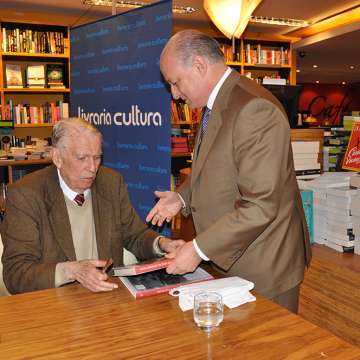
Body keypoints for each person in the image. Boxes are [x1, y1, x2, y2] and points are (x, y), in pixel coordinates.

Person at [146, 30, 311, 313]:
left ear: (199, 65)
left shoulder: (254, 109)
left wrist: (197, 250)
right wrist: (182, 198)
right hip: (233, 258)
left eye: (175, 82)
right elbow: (216, 167)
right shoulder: (216, 104)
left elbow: (260, 205)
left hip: (264, 265)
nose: (174, 94)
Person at [1, 118, 184, 294]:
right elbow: (15, 273)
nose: (92, 168)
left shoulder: (110, 182)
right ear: (57, 157)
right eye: (82, 158)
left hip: (107, 295)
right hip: (54, 303)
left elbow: (134, 235)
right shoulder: (26, 194)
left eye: (97, 158)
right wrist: (70, 271)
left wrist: (161, 244)